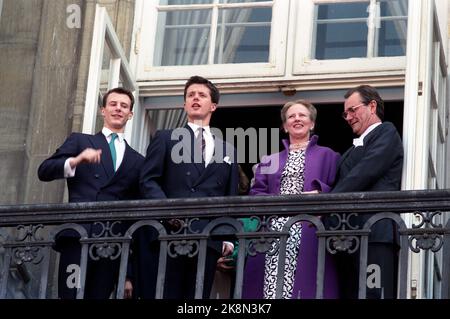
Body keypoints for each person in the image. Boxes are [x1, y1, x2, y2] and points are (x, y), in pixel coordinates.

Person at [136, 75, 239, 299]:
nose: (195, 98)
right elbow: (148, 180)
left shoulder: (227, 148)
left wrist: (227, 238)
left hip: (208, 240)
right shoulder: (165, 138)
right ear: (184, 104)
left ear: (213, 105)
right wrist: (168, 213)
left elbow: (229, 197)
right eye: (190, 95)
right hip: (168, 235)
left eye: (201, 95)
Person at [38, 87, 144, 299]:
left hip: (111, 246)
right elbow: (44, 170)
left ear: (130, 114)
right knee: (71, 296)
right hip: (78, 237)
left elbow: (134, 219)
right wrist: (76, 161)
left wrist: (129, 273)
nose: (118, 109)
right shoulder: (81, 141)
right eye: (113, 104)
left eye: (124, 106)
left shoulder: (137, 160)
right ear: (103, 110)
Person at [242, 100, 340, 299]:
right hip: (273, 230)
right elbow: (256, 193)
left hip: (310, 228)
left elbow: (340, 188)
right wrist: (279, 201)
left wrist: (321, 194)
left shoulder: (328, 155)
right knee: (270, 290)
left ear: (312, 124)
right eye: (291, 116)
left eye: (302, 115)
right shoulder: (269, 160)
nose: (297, 119)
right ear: (285, 126)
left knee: (307, 288)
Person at [330, 84, 403, 299]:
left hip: (376, 232)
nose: (349, 117)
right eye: (346, 113)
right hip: (351, 237)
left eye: (353, 110)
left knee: (374, 295)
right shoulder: (353, 148)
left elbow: (365, 172)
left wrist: (326, 202)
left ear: (372, 106)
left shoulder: (386, 131)